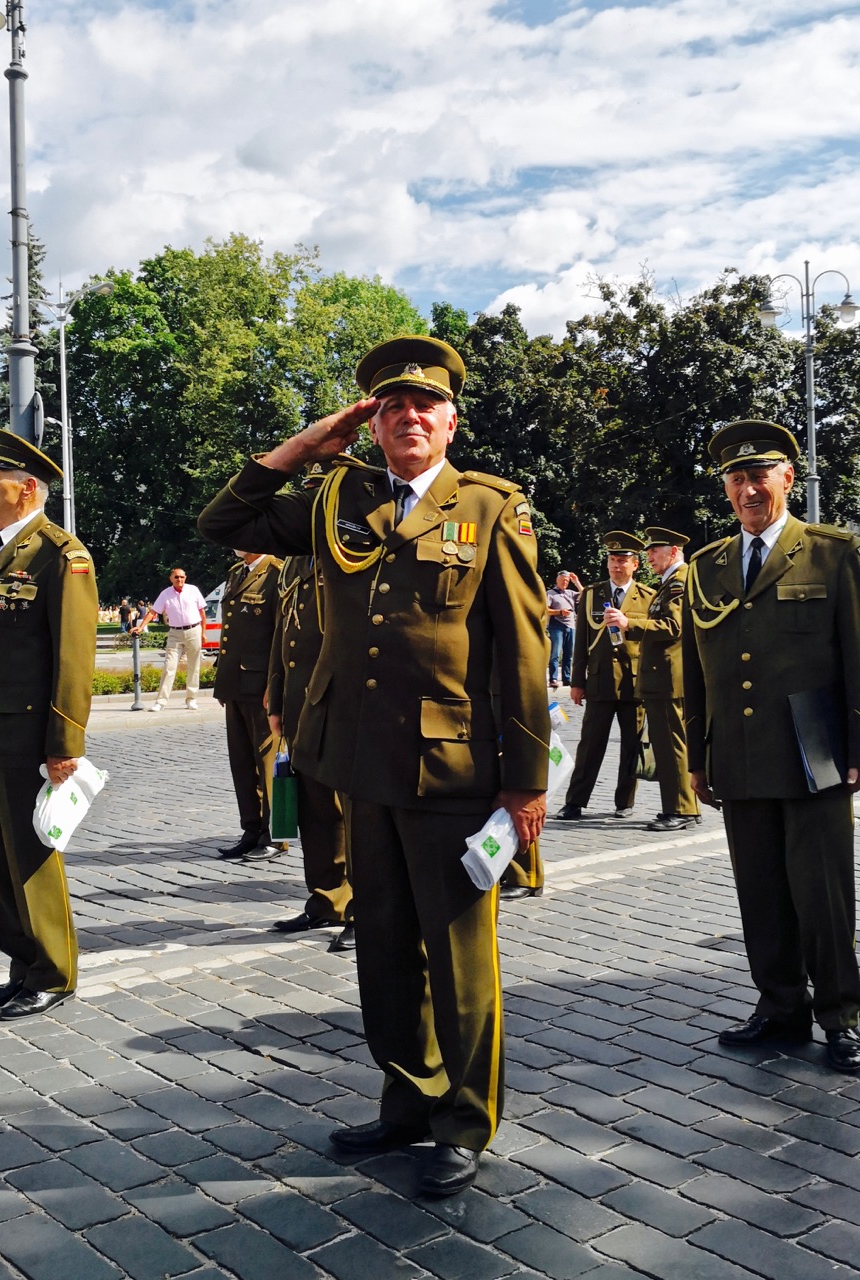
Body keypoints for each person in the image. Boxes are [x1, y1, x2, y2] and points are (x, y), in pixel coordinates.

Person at [199, 334, 548, 1197]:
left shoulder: (490, 508)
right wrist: (303, 449)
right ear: (373, 423)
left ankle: (464, 1120)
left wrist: (526, 783)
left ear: (450, 422)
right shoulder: (336, 499)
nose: (408, 418)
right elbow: (225, 523)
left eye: (424, 406)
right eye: (391, 408)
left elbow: (524, 653)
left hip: (452, 769)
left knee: (458, 955)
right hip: (357, 759)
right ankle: (407, 1098)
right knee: (383, 943)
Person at [683, 420, 860, 1073]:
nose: (746, 488)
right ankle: (779, 1006)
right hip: (738, 752)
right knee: (759, 892)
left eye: (758, 475)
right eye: (735, 478)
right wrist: (694, 757)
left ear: (786, 478)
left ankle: (840, 1016)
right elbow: (692, 672)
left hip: (814, 750)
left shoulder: (832, 553)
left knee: (821, 894)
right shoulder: (706, 567)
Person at [0, 428, 97, 1020]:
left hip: (30, 732)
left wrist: (64, 743)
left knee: (33, 855)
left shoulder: (60, 554)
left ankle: (53, 972)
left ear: (28, 487)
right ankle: (21, 964)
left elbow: (72, 656)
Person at [267, 546, 355, 949]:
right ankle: (326, 898)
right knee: (315, 809)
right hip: (301, 703)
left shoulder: (356, 548)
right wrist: (277, 692)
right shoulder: (296, 562)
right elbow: (282, 633)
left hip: (342, 701)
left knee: (355, 814)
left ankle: (363, 908)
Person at [605, 529, 700, 832]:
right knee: (671, 743)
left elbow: (672, 625)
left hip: (668, 679)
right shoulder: (670, 582)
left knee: (672, 745)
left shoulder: (678, 581)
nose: (648, 558)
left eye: (653, 552)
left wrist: (627, 623)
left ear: (672, 552)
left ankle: (680, 809)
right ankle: (686, 806)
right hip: (663, 677)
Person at [558, 532, 655, 820]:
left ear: (635, 565)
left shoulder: (648, 596)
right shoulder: (591, 594)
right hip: (599, 681)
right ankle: (575, 801)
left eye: (623, 561)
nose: (616, 566)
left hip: (633, 682)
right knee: (589, 744)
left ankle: (624, 802)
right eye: (612, 560)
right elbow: (580, 642)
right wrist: (576, 682)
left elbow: (652, 639)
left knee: (631, 744)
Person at [214, 551, 284, 862]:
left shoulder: (277, 572)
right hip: (235, 685)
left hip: (261, 687)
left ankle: (277, 836)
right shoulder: (236, 572)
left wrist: (275, 684)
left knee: (270, 764)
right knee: (242, 764)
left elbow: (283, 634)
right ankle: (252, 830)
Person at [131, 569, 207, 711]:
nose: (180, 579)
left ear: (186, 577)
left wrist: (203, 633)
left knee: (194, 666)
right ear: (171, 578)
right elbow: (153, 612)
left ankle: (191, 699)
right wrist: (141, 627)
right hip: (175, 633)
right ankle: (161, 701)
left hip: (194, 630)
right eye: (176, 577)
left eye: (182, 577)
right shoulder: (165, 594)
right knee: (169, 667)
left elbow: (202, 613)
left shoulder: (193, 590)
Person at [545, 569, 580, 688]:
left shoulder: (570, 593)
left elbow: (586, 594)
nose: (565, 582)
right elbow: (545, 610)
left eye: (567, 580)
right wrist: (560, 612)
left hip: (571, 626)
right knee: (555, 653)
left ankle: (567, 678)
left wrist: (576, 582)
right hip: (557, 626)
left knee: (569, 654)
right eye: (562, 580)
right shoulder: (550, 593)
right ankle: (553, 679)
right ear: (557, 580)